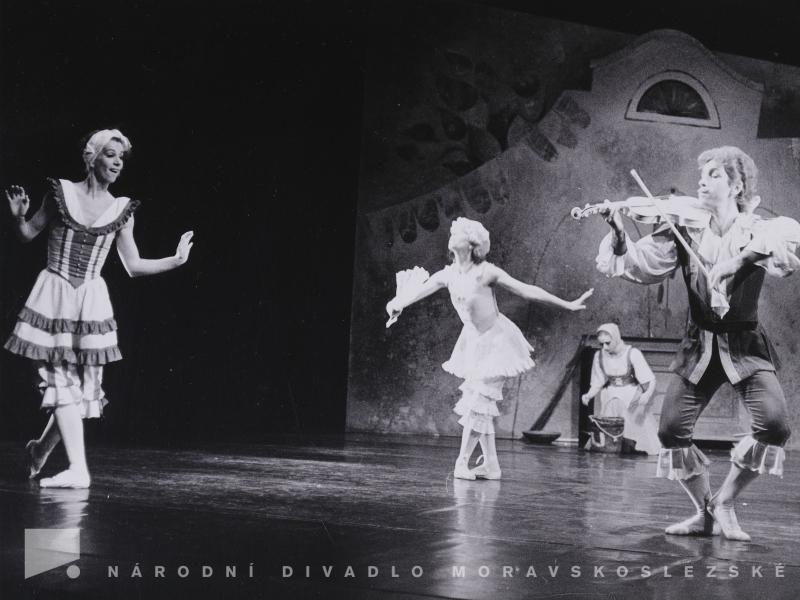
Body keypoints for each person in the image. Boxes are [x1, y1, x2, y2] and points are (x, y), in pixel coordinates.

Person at [595, 146, 800, 540]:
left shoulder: (756, 230)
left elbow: (787, 237)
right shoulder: (684, 229)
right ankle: (705, 512)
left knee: (774, 425)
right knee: (671, 431)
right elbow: (640, 265)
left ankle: (724, 502)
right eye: (701, 175)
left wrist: (738, 261)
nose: (702, 182)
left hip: (744, 345)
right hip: (699, 345)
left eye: (714, 175)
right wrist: (620, 235)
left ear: (737, 186)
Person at [5, 128, 194, 489]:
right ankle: (79, 469)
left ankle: (38, 452)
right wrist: (18, 217)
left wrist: (176, 260)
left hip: (90, 302)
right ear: (91, 157)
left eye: (122, 157)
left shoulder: (122, 210)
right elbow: (28, 234)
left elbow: (133, 266)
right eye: (110, 154)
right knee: (59, 382)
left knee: (82, 392)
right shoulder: (61, 193)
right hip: (54, 295)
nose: (118, 162)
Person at [387, 217, 593, 480]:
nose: (452, 235)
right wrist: (397, 304)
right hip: (474, 342)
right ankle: (491, 465)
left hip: (497, 342)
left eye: (458, 233)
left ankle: (462, 463)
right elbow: (417, 293)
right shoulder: (447, 275)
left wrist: (567, 304)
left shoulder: (486, 272)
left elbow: (527, 291)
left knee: (478, 403)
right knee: (481, 404)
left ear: (471, 244)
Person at [581, 323, 660, 455]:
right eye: (601, 344)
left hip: (631, 394)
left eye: (608, 343)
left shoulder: (632, 353)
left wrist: (646, 395)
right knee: (609, 427)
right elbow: (598, 381)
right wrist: (589, 395)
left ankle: (633, 447)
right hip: (611, 395)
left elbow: (650, 379)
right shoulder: (599, 356)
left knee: (635, 427)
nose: (604, 347)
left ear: (616, 338)